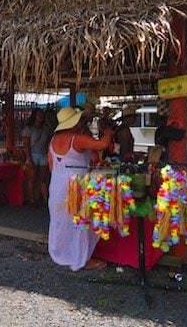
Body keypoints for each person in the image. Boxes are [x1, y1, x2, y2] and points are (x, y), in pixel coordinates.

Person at [48, 107, 115, 271]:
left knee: (61, 223)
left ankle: (62, 254)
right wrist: (107, 131)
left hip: (57, 185)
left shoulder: (53, 140)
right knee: (81, 223)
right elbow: (102, 144)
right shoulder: (76, 138)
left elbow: (52, 167)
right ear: (75, 122)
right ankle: (83, 259)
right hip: (75, 186)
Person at [22, 108, 51, 207]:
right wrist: (29, 159)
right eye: (39, 114)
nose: (41, 116)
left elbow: (48, 143)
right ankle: (32, 199)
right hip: (33, 154)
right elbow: (26, 145)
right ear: (34, 116)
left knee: (43, 178)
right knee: (32, 178)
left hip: (43, 155)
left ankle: (45, 200)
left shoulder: (46, 128)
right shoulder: (28, 129)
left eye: (42, 114)